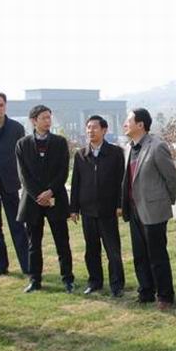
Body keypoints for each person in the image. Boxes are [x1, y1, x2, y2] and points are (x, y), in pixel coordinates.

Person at [120, 108, 176, 310]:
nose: (125, 124)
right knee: (139, 255)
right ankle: (145, 291)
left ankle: (165, 296)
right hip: (134, 209)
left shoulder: (157, 146)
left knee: (157, 256)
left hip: (154, 210)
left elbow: (171, 178)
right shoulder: (128, 148)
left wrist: (165, 201)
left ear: (140, 125)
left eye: (128, 120)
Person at [16, 105, 75, 293]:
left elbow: (63, 171)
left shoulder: (60, 142)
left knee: (62, 241)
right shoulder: (22, 144)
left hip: (55, 198)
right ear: (34, 120)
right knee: (34, 244)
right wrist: (38, 195)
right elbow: (23, 175)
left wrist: (50, 191)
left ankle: (68, 278)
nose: (48, 121)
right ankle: (35, 280)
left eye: (49, 117)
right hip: (33, 201)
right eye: (44, 118)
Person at [70, 115, 126, 296]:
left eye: (94, 127)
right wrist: (73, 208)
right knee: (91, 250)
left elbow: (121, 181)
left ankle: (117, 285)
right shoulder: (81, 155)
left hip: (108, 210)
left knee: (113, 251)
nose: (90, 131)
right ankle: (95, 282)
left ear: (104, 130)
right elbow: (76, 183)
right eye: (88, 127)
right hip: (88, 211)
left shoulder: (115, 153)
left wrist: (120, 204)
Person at [0, 92, 29, 277]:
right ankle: (0, 265)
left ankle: (27, 265)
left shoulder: (16, 128)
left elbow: (23, 156)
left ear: (5, 106)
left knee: (17, 224)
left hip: (11, 182)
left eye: (1, 105)